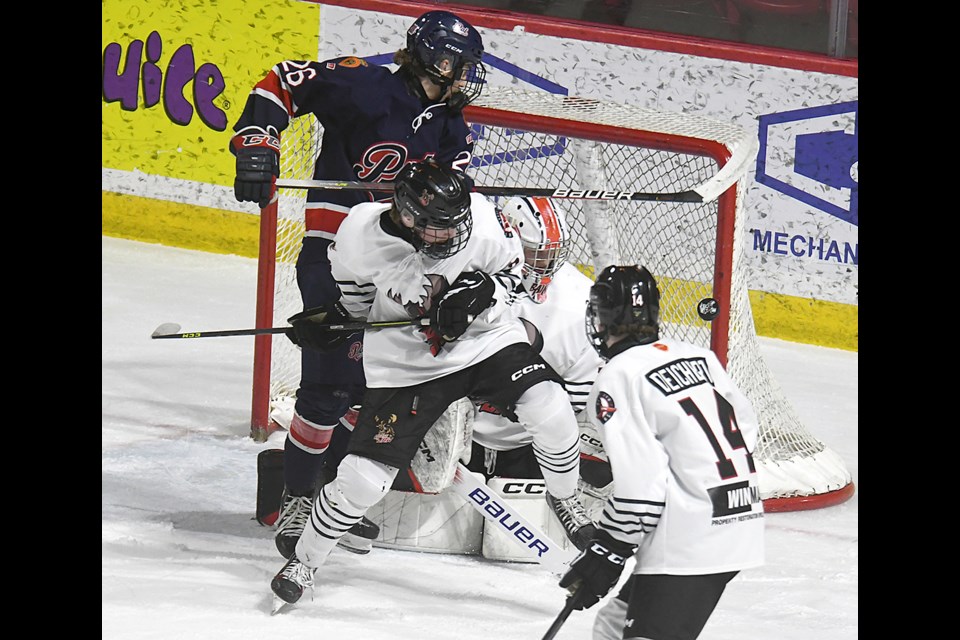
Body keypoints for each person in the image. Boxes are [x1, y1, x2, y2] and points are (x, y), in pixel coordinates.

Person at [272, 159, 596, 605]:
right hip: (409, 363)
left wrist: (485, 291)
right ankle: (305, 561)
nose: (456, 233)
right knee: (363, 479)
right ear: (408, 218)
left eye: (457, 222)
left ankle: (565, 497)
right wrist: (341, 319)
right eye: (441, 228)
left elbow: (512, 273)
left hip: (484, 343)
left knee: (551, 407)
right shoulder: (360, 234)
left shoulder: (477, 217)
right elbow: (356, 294)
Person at [229, 10, 486, 559]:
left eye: (466, 67)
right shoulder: (363, 86)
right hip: (333, 255)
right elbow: (282, 80)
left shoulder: (450, 126)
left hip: (397, 268)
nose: (460, 76)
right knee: (329, 386)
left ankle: (330, 498)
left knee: (374, 389)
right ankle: (297, 498)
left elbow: (449, 210)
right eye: (449, 62)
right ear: (420, 54)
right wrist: (257, 139)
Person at [557, 265, 765, 640]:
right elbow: (746, 431)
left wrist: (609, 550)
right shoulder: (700, 356)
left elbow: (642, 488)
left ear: (601, 318)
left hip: (691, 539)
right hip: (738, 516)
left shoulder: (619, 375)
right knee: (612, 626)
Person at [467, 196, 609, 502]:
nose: (544, 267)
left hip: (530, 443)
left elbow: (578, 397)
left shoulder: (581, 303)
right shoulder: (468, 275)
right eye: (535, 254)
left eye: (550, 256)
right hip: (462, 432)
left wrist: (523, 409)